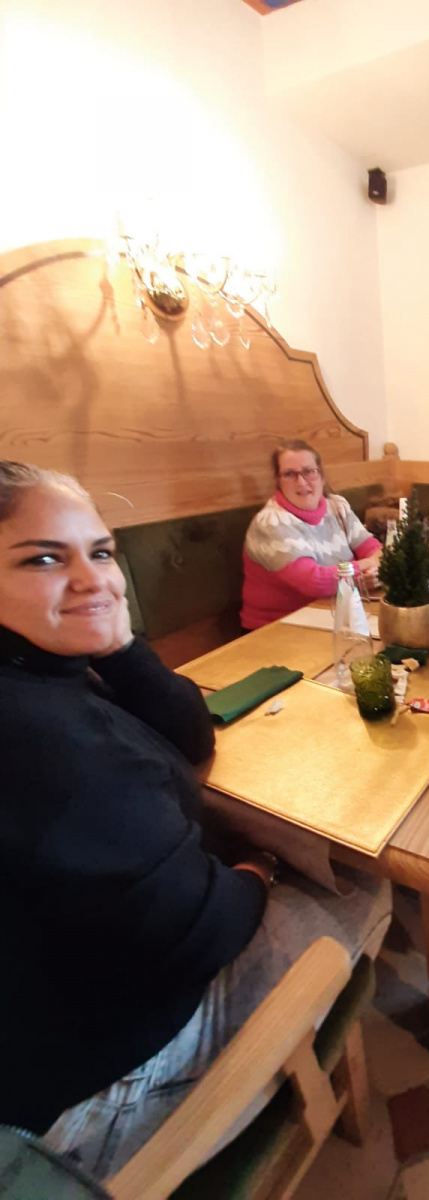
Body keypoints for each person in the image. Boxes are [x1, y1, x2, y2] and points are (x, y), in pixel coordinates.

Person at [0, 461, 391, 1180]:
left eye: (101, 553)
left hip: (69, 998)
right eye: (43, 559)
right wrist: (261, 868)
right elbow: (204, 925)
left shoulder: (41, 670)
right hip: (81, 1109)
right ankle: (307, 1071)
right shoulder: (39, 741)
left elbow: (188, 733)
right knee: (362, 879)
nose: (93, 580)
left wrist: (120, 645)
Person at [241, 439, 383, 629]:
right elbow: (315, 582)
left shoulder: (337, 506)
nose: (301, 482)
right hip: (276, 628)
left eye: (309, 471)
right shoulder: (270, 523)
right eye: (289, 474)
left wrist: (374, 570)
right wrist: (365, 567)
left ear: (321, 476)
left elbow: (374, 548)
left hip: (330, 613)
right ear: (278, 481)